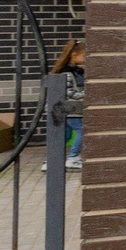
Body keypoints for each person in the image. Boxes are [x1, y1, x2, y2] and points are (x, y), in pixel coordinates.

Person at [46, 39, 86, 173]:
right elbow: (68, 92)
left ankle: (51, 159)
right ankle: (73, 157)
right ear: (74, 54)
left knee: (65, 135)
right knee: (83, 129)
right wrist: (87, 95)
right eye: (84, 55)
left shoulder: (77, 71)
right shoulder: (66, 73)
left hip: (67, 109)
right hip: (69, 109)